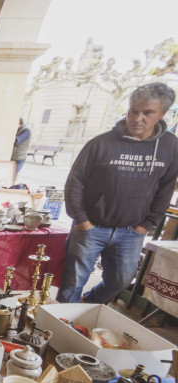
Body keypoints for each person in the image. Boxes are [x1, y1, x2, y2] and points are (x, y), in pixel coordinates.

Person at [56, 82, 178, 305]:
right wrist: (82, 220)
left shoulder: (170, 146)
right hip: (92, 227)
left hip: (131, 231)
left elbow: (166, 187)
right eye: (133, 110)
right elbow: (75, 181)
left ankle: (88, 306)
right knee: (72, 283)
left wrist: (148, 224)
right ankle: (61, 326)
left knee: (121, 280)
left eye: (147, 112)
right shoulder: (101, 143)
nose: (137, 118)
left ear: (162, 113)